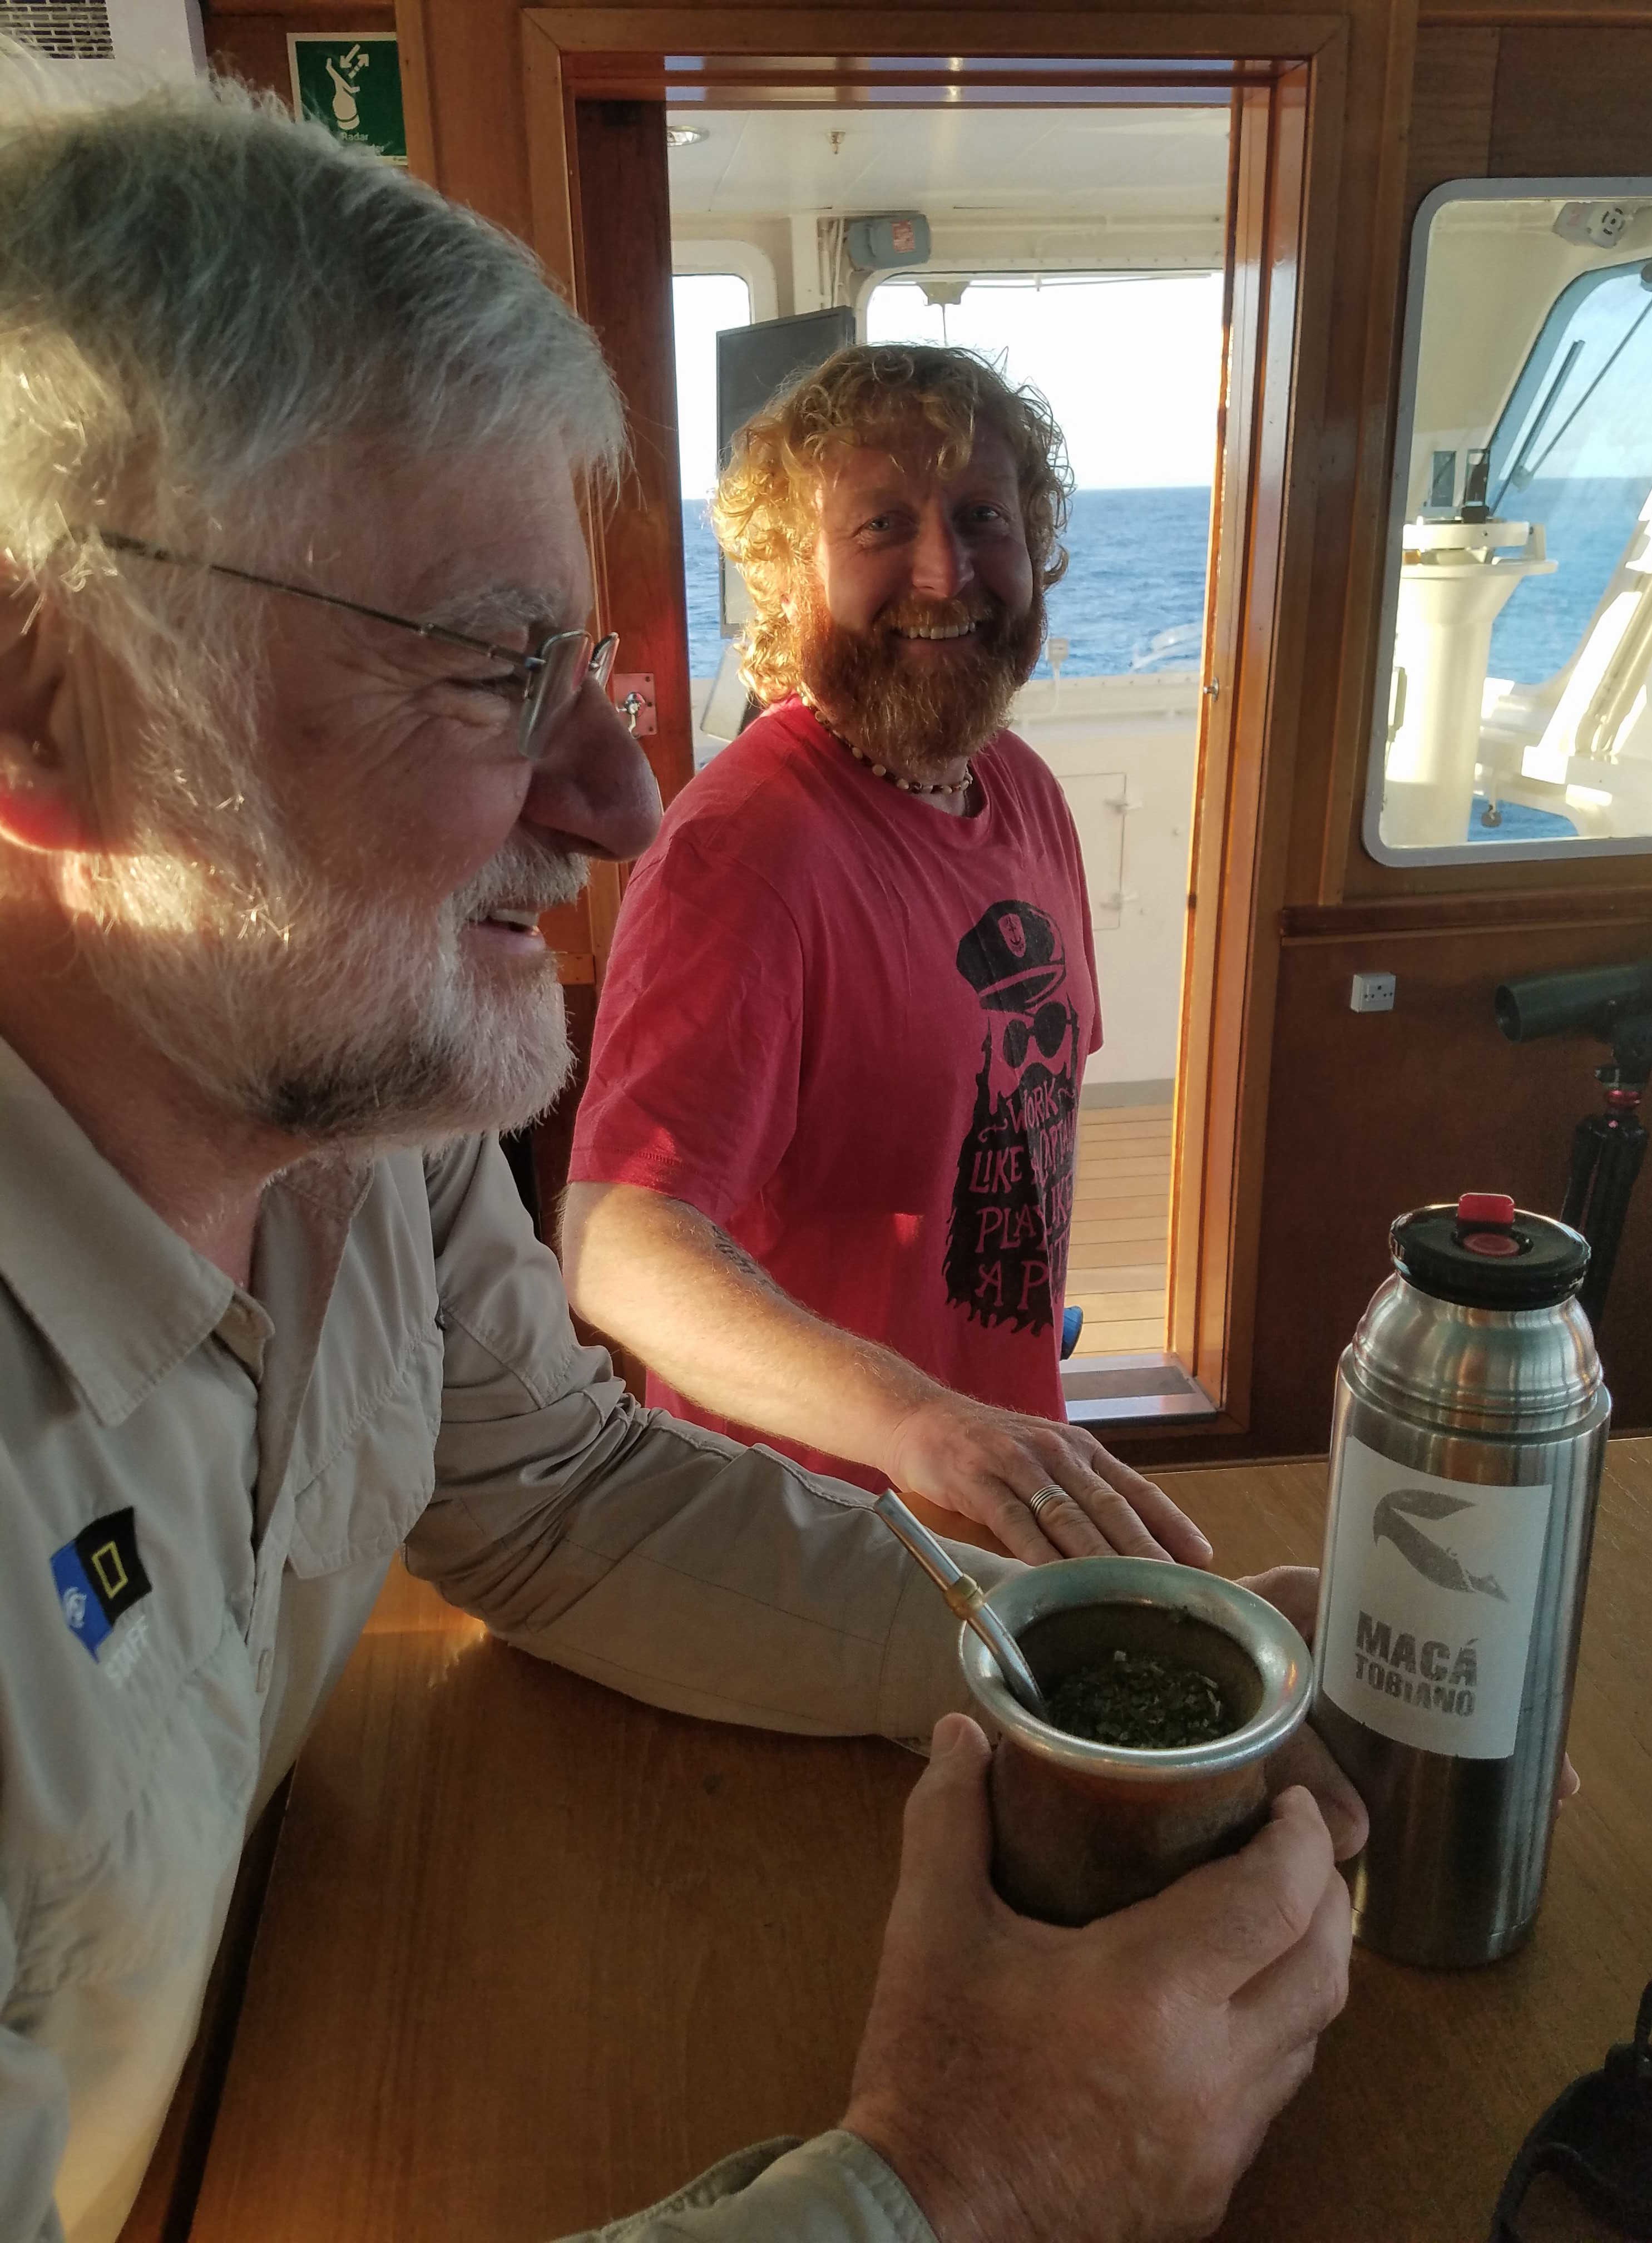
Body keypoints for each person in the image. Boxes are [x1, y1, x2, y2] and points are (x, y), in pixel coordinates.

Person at [0, 56, 1360, 2243]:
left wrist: (1077, 1667)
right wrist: (953, 2187)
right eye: (481, 668)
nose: (621, 805)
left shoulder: (355, 1128)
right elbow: (635, 1243)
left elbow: (560, 1494)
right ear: (42, 698)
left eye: (584, 673)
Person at [563, 345, 1203, 1567]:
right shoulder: (744, 852)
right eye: (883, 525)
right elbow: (619, 1242)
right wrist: (922, 1422)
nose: (945, 571)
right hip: (806, 1544)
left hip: (997, 1503)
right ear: (787, 575)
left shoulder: (1023, 793)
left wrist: (984, 1433)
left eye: (983, 518)